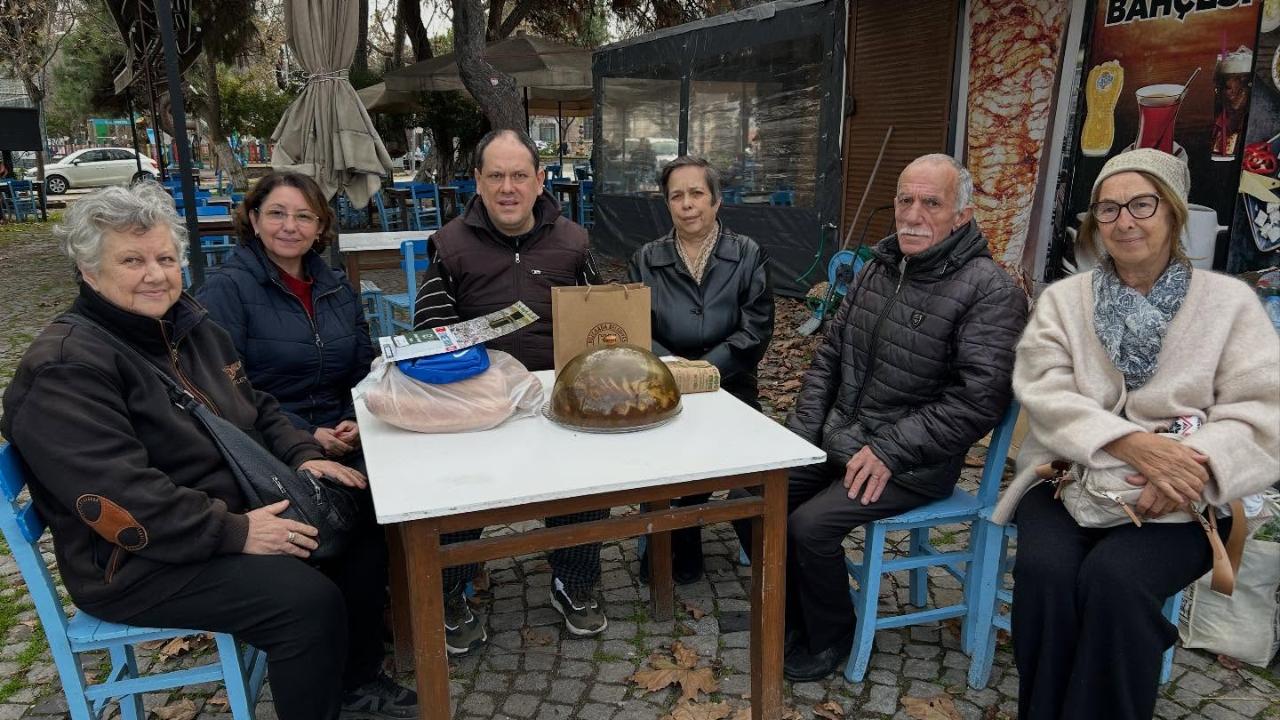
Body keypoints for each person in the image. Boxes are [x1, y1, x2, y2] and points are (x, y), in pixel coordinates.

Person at [0, 183, 416, 720]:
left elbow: (256, 404)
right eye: (132, 260)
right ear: (88, 269)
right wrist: (239, 532)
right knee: (305, 602)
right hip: (138, 560)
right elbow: (124, 501)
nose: (155, 274)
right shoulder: (66, 368)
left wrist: (299, 453)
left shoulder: (185, 324)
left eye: (165, 258)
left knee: (362, 515)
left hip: (227, 505)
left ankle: (352, 682)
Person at [991, 148, 1280, 720]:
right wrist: (1125, 443)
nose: (1124, 221)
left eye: (1141, 204)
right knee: (1046, 576)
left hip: (1185, 501)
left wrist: (1189, 468)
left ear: (1171, 213)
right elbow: (1041, 386)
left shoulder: (1228, 305)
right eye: (1108, 208)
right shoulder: (1064, 300)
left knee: (1116, 581)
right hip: (1069, 480)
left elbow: (1262, 413)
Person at [765, 153, 1027, 682]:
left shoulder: (990, 291)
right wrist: (799, 439)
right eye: (905, 200)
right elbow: (829, 359)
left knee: (808, 527)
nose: (912, 214)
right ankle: (792, 612)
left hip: (912, 462)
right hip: (843, 438)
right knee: (761, 496)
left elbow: (978, 400)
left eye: (931, 203)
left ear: (962, 214)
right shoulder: (878, 269)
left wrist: (891, 449)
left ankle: (832, 632)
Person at [410, 128, 607, 653]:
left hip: (557, 399)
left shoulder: (574, 242)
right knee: (451, 487)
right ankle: (453, 589)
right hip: (477, 402)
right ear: (477, 181)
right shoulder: (448, 246)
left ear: (540, 181)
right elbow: (429, 335)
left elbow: (603, 321)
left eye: (520, 175)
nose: (508, 187)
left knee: (584, 480)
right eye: (495, 175)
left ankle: (575, 580)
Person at [627, 155, 773, 583]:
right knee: (664, 457)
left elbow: (755, 331)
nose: (687, 204)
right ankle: (670, 537)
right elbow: (636, 329)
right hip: (664, 383)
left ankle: (711, 533)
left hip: (732, 386)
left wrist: (706, 372)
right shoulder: (646, 259)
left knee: (746, 463)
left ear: (716, 200)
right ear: (667, 204)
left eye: (696, 193)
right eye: (677, 196)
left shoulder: (748, 255)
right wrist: (674, 371)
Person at [197, 171, 375, 461]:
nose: (290, 227)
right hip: (271, 445)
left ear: (320, 227)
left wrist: (354, 417)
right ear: (255, 221)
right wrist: (306, 432)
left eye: (304, 217)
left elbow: (363, 369)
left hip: (347, 436)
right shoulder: (226, 289)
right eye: (277, 214)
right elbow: (225, 387)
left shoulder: (338, 287)